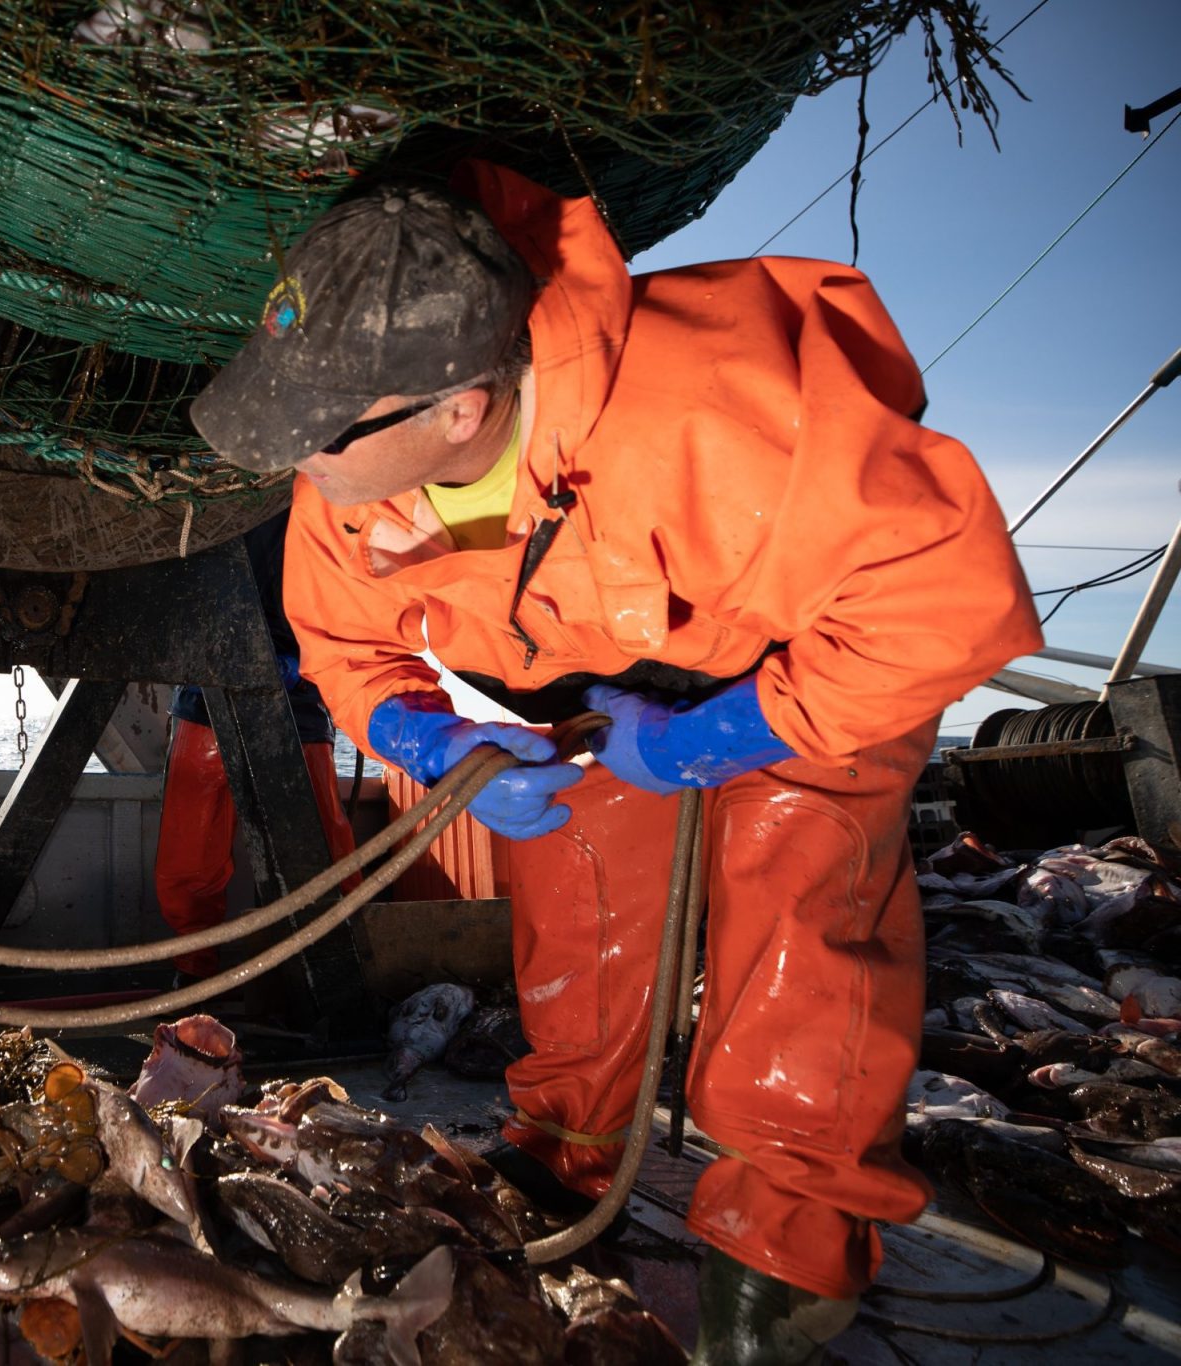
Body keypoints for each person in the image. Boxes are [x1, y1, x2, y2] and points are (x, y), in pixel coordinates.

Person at [189, 167, 1041, 1363]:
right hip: (598, 694)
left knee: (796, 907)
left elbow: (943, 604)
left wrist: (722, 738)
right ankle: (559, 1149)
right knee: (577, 888)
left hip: (823, 662)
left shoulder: (715, 406)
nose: (302, 467)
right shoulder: (348, 476)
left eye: (319, 437)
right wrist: (431, 738)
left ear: (458, 408)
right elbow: (342, 650)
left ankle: (786, 1246)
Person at [154, 511, 357, 986]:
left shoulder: (330, 497)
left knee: (322, 846)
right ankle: (194, 971)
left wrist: (301, 664)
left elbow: (355, 610)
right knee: (189, 853)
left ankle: (339, 965)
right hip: (209, 690)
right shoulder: (221, 490)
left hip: (298, 692)